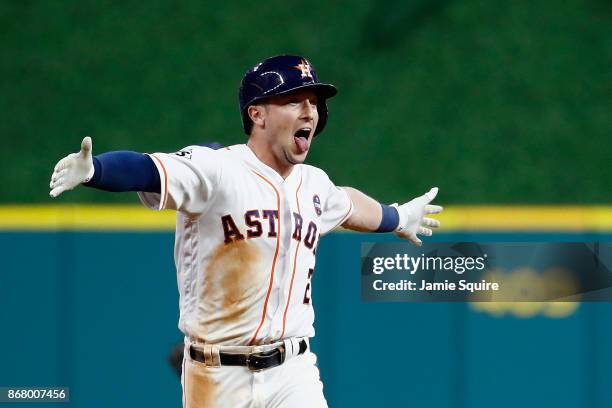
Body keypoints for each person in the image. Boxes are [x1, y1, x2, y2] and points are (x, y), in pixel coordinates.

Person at [48, 55, 443, 408]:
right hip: (217, 375)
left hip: (294, 369)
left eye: (314, 103)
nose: (310, 111)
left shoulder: (313, 183)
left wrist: (396, 217)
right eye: (294, 100)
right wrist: (96, 170)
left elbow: (350, 205)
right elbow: (150, 169)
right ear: (257, 114)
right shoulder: (216, 169)